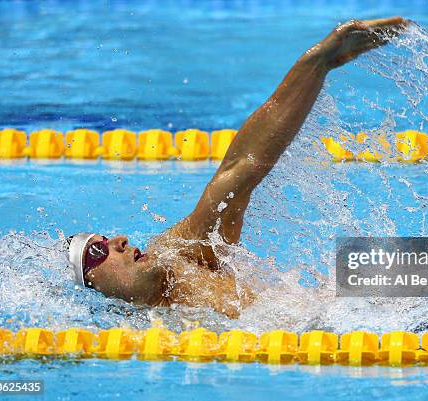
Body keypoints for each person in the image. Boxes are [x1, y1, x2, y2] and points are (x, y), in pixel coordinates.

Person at [67, 17, 408, 318]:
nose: (121, 240)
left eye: (109, 239)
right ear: (92, 284)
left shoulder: (178, 257)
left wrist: (317, 62)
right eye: (99, 250)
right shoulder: (138, 331)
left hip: (360, 308)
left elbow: (240, 168)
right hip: (356, 323)